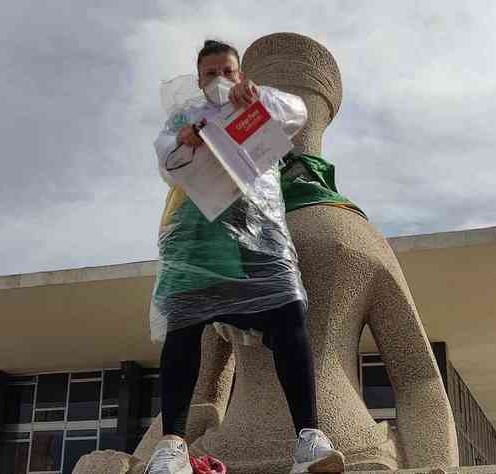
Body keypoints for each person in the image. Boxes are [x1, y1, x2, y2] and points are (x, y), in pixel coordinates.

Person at [145, 40, 346, 474]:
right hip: (196, 241)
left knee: (290, 321)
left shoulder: (260, 104)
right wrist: (183, 141)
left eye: (227, 71)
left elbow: (298, 114)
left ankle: (309, 440)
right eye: (210, 73)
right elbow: (165, 161)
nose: (219, 80)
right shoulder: (185, 118)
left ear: (239, 73)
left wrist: (259, 97)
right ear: (199, 80)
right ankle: (173, 447)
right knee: (183, 335)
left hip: (260, 241)